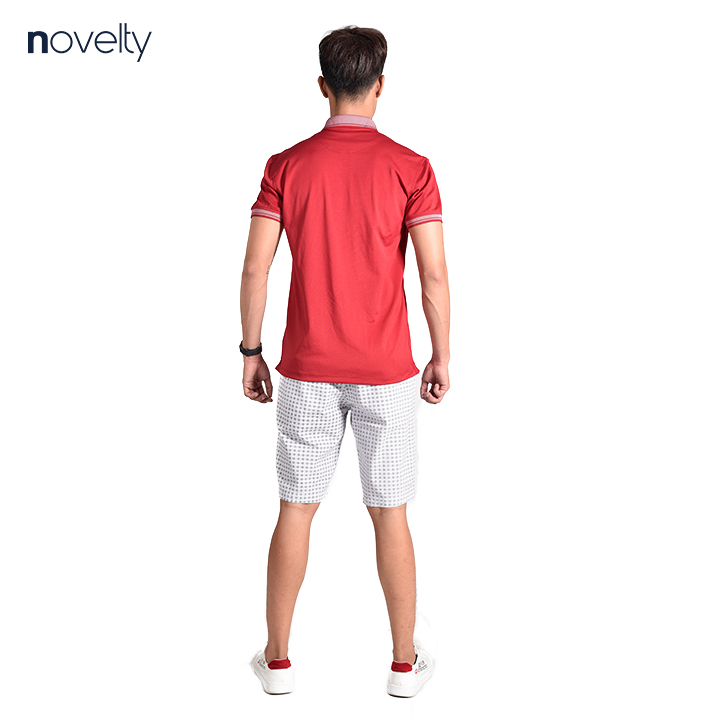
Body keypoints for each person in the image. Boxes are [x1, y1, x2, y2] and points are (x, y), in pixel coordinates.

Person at [242, 25, 450, 698]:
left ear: (323, 86)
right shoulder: (411, 168)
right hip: (387, 371)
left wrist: (252, 350)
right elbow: (433, 275)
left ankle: (277, 663)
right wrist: (442, 353)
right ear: (380, 86)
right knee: (390, 513)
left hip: (306, 368)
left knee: (295, 509)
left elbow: (255, 269)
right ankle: (402, 666)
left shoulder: (286, 166)